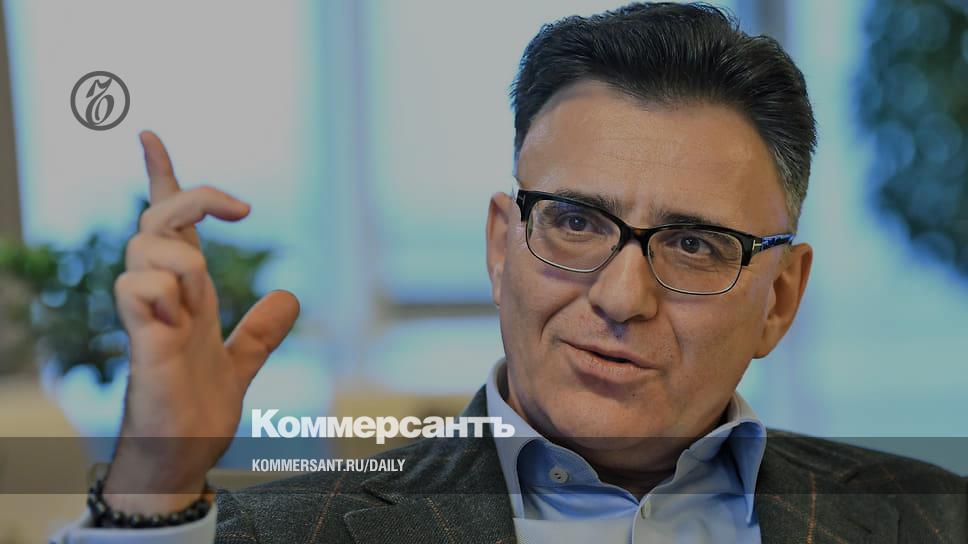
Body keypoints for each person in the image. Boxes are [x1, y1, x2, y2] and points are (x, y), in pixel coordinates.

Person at [51, 3, 966, 543]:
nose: (621, 298)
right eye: (574, 221)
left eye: (694, 245)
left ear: (780, 299)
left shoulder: (932, 518)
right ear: (500, 246)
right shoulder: (282, 534)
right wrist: (150, 480)